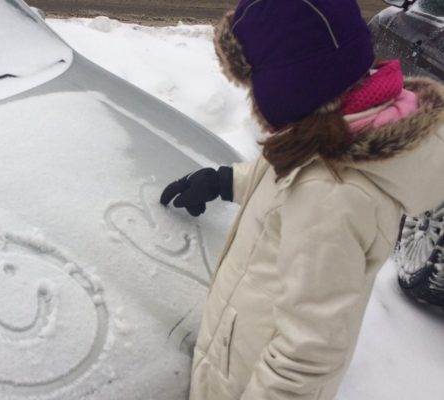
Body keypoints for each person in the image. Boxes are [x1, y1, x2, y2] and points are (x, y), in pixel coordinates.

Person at [159, 1, 444, 399]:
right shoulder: (339, 127)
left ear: (294, 82)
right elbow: (289, 184)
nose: (251, 95)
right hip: (239, 349)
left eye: (255, 79)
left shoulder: (333, 195)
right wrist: (225, 181)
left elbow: (306, 358)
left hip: (248, 377)